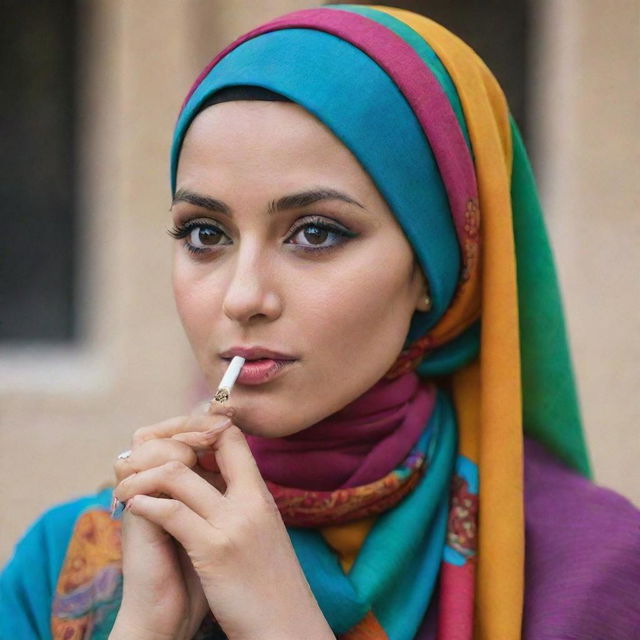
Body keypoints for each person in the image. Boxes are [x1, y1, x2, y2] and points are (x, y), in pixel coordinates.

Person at [2, 5, 638, 639]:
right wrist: (144, 625)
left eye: (315, 233)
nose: (243, 296)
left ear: (434, 267)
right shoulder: (62, 569)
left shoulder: (590, 576)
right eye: (205, 232)